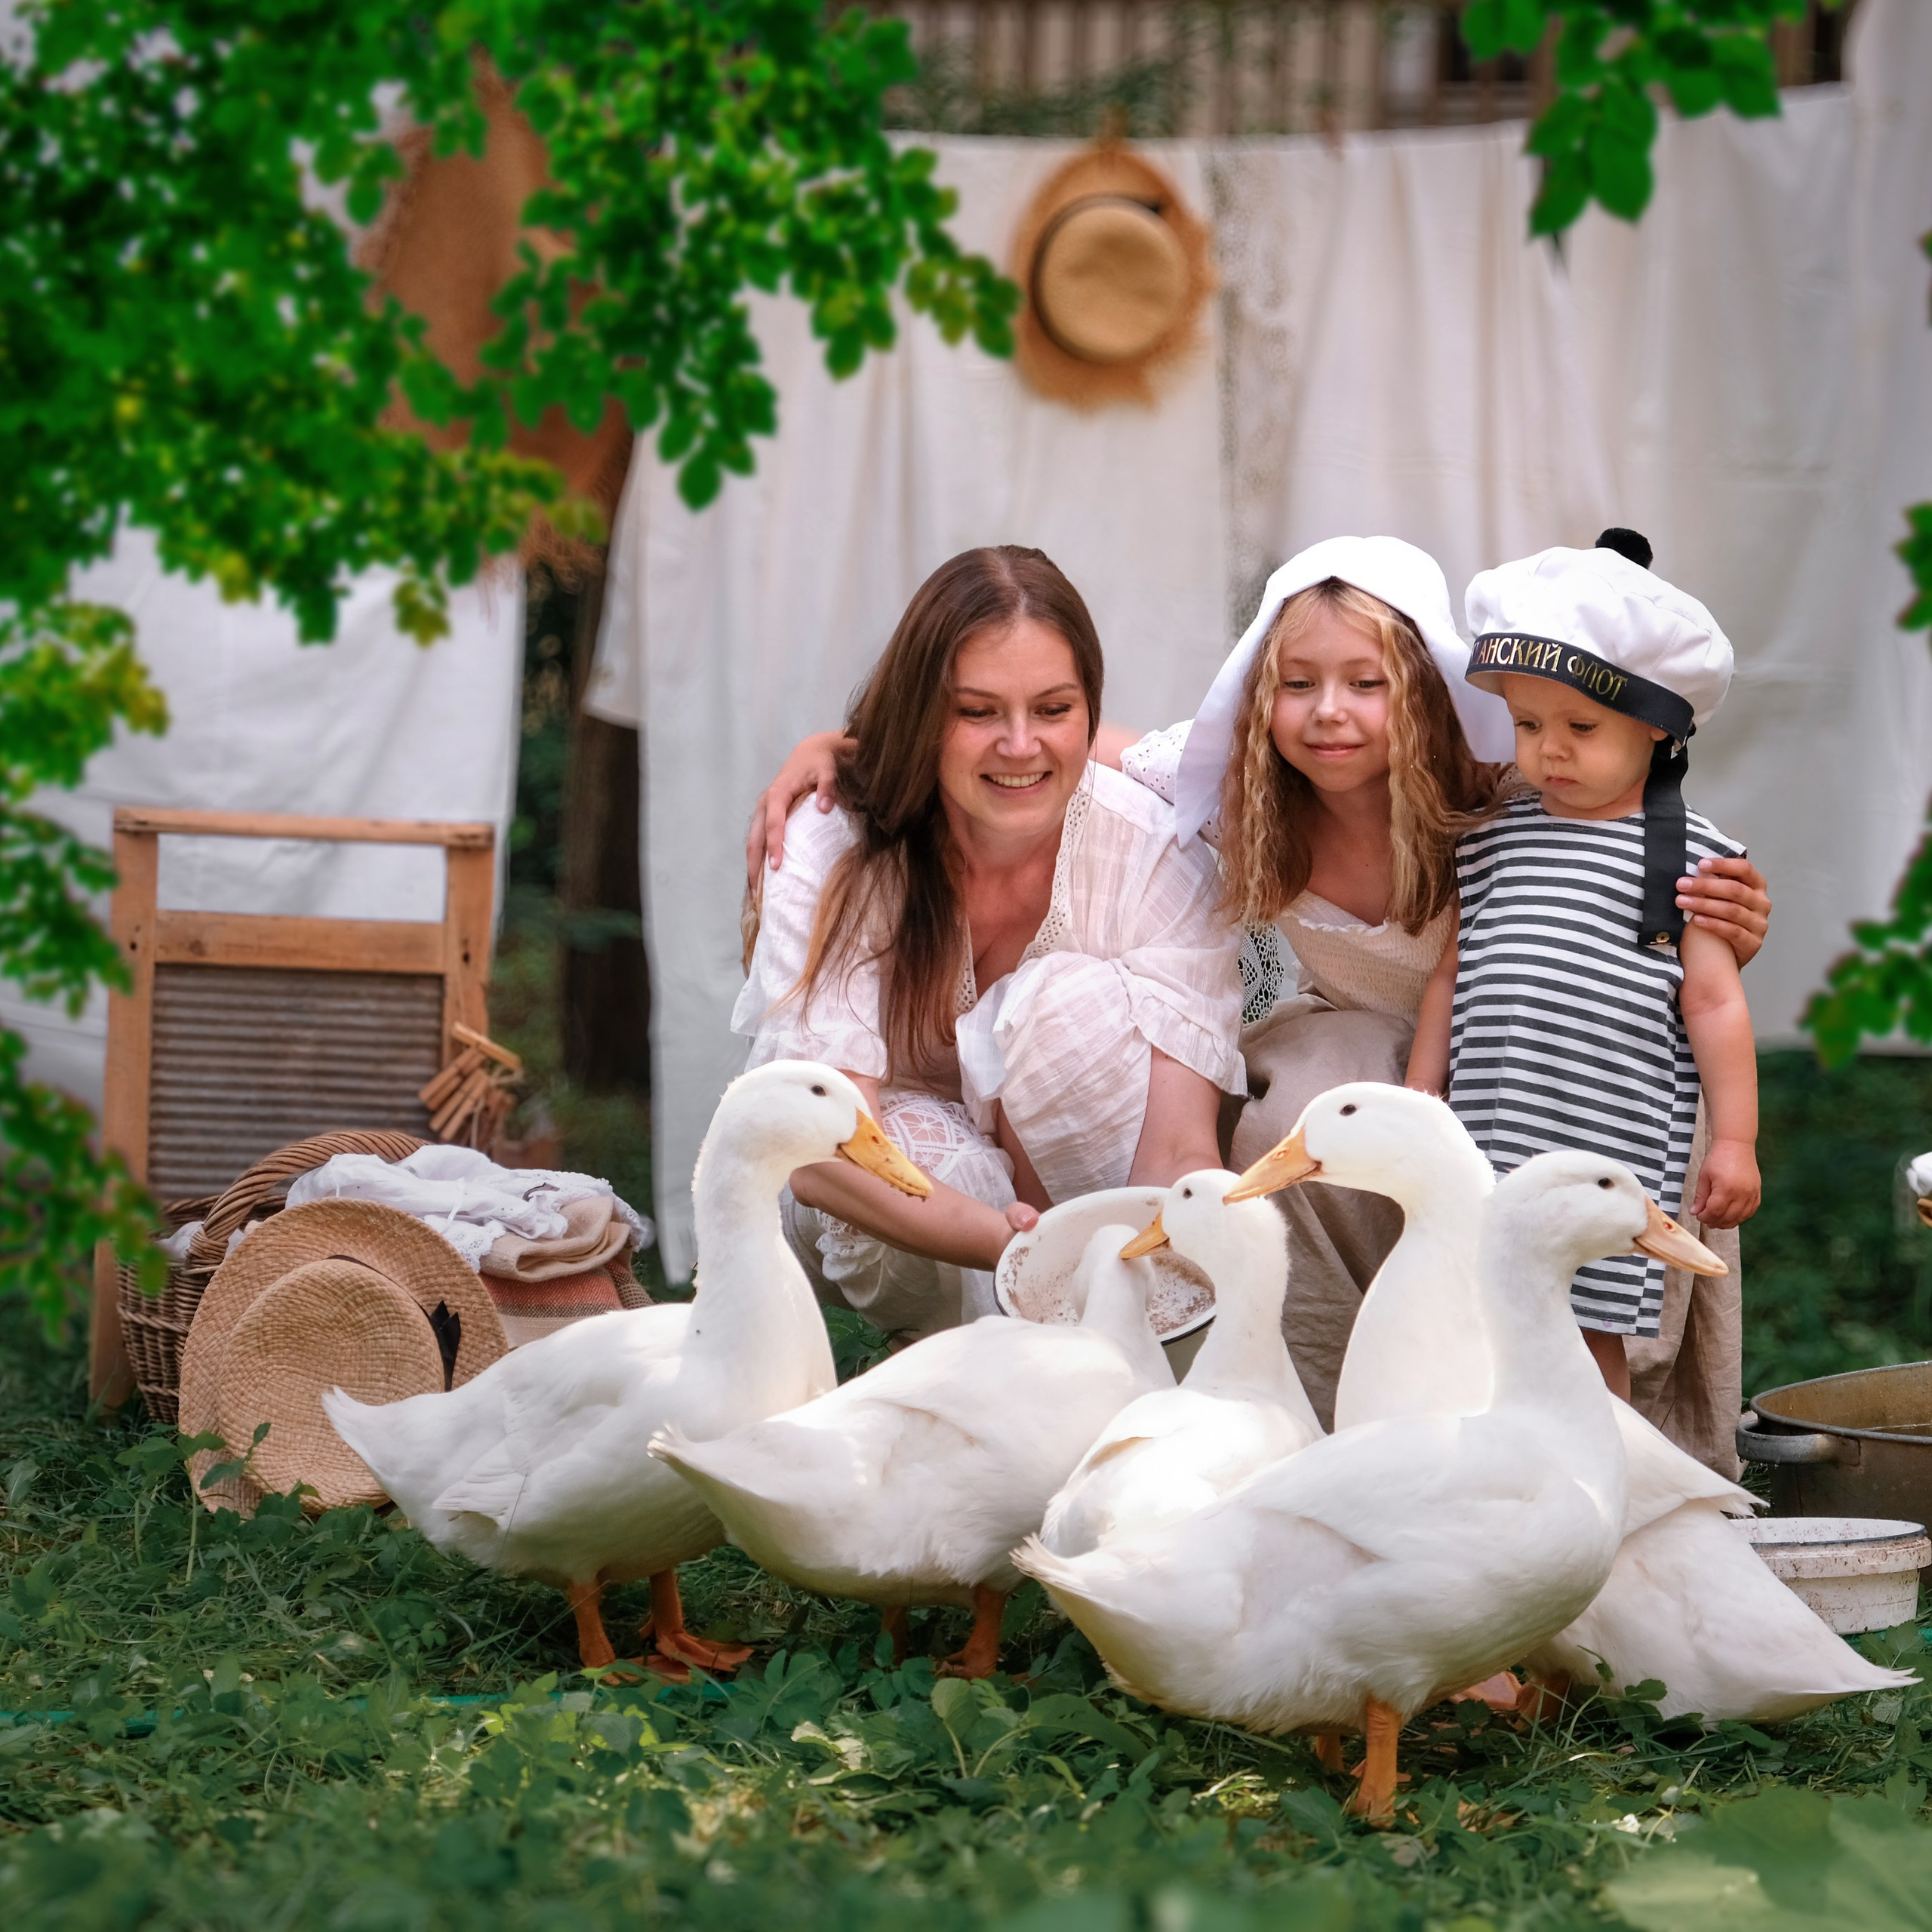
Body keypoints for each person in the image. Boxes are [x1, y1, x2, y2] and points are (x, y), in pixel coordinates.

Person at [749, 537, 1771, 1458]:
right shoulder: (1237, 803)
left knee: (1448, 1181)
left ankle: (1579, 1465)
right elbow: (1080, 749)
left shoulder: (1509, 799)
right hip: (1378, 1083)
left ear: (1421, 689)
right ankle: (1312, 1423)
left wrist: (1724, 925)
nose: (1331, 713)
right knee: (1306, 1101)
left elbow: (1628, 882)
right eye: (1298, 684)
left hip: (1534, 1079)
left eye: (1369, 682)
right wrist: (848, 750)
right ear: (1259, 696)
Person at [737, 545, 1242, 1345]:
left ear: (1089, 710)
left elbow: (1177, 1146)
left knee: (1063, 1005)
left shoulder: (1151, 845)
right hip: (885, 1175)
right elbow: (818, 1146)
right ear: (922, 715)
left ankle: (1111, 1348)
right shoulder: (834, 845)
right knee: (949, 1161)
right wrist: (1020, 1249)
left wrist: (1166, 1259)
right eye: (977, 712)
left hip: (1083, 1183)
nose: (1019, 745)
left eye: (1052, 709)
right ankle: (980, 1370)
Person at [1407, 532, 1759, 1403]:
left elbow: (1714, 1004)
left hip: (1606, 1136)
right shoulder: (1493, 835)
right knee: (1481, 1308)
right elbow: (1453, 973)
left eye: (1579, 727)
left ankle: (1598, 1488)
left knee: (1584, 1330)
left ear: (1655, 726)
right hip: (1492, 1126)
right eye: (1527, 725)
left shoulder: (1689, 859)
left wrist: (1735, 1140)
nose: (1548, 751)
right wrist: (1422, 1092)